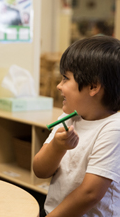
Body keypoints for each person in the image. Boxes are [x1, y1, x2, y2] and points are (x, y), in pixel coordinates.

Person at [33, 36, 120, 216]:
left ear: (93, 86)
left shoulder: (114, 128)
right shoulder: (70, 116)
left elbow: (90, 194)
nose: (59, 86)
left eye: (66, 79)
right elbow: (40, 170)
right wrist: (57, 147)